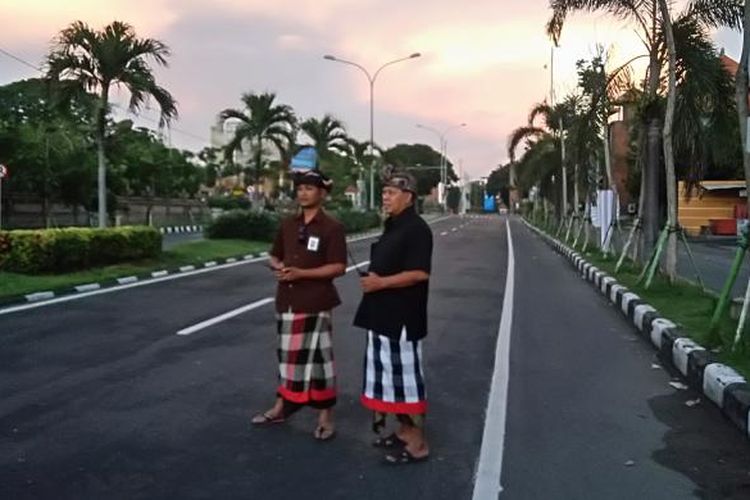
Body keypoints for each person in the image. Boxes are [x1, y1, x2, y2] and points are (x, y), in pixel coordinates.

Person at [251, 168, 346, 441]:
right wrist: (279, 267)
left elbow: (338, 267)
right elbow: (273, 255)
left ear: (322, 194)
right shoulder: (288, 224)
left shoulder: (332, 227)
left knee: (320, 359)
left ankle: (326, 416)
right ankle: (282, 406)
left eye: (309, 189)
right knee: (287, 357)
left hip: (316, 302)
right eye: (300, 189)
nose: (303, 193)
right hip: (287, 300)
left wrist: (302, 274)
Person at [354, 168, 433, 464]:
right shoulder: (394, 225)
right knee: (388, 380)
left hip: (401, 319)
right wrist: (376, 279)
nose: (384, 198)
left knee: (404, 381)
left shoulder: (416, 229)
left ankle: (417, 443)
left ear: (408, 197)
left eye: (390, 193)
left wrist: (380, 283)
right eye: (384, 192)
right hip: (381, 315)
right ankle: (402, 431)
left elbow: (419, 273)